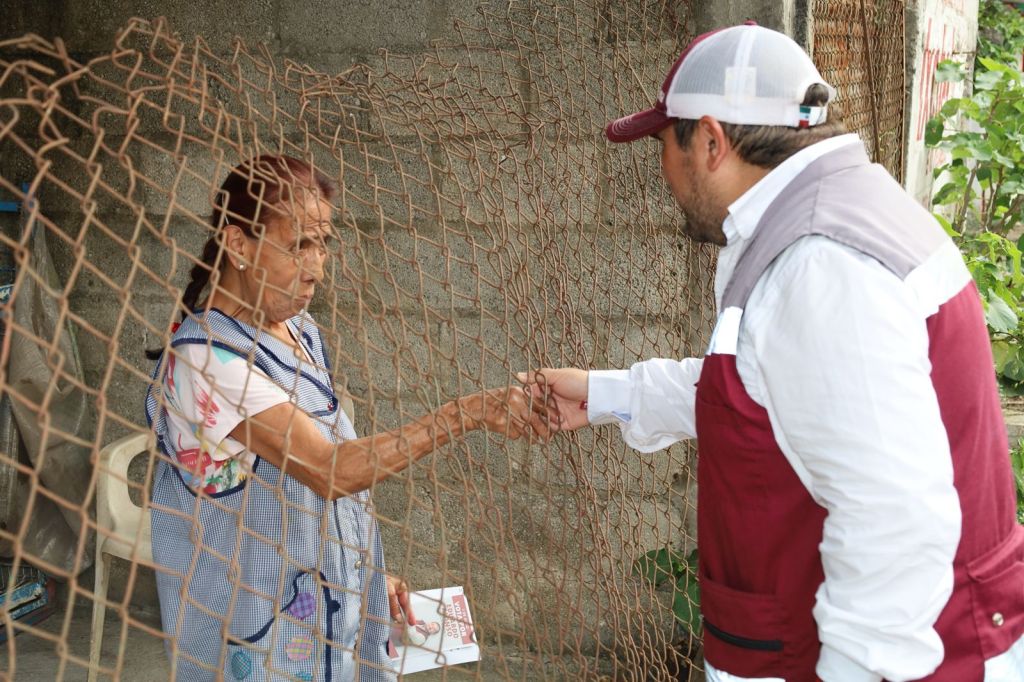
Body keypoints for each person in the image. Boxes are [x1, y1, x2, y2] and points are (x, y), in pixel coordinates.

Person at [521, 23, 1024, 682]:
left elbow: (893, 519)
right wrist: (612, 395)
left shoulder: (818, 262)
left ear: (708, 140)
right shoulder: (840, 214)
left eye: (661, 145)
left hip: (905, 656)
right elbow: (781, 385)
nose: (662, 169)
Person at [145, 154, 554, 681]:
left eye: (323, 244)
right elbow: (328, 470)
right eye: (298, 246)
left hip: (331, 607)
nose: (317, 266)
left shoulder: (301, 332)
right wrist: (466, 413)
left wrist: (365, 572)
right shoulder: (205, 358)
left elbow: (316, 493)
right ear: (238, 245)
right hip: (260, 624)